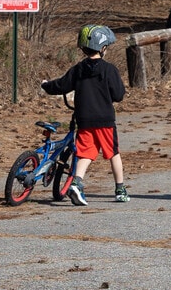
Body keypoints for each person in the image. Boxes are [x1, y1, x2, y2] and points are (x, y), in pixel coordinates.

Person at [41, 24, 129, 206]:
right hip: (105, 120)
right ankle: (120, 189)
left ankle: (77, 183)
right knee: (113, 153)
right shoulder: (109, 69)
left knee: (85, 153)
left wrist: (46, 85)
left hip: (84, 120)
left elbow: (61, 85)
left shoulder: (78, 69)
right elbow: (119, 95)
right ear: (103, 48)